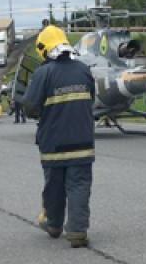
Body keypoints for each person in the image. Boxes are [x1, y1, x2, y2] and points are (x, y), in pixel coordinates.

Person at [24, 25, 95, 248]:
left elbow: (30, 107)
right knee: (79, 186)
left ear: (44, 49)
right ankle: (77, 232)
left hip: (53, 143)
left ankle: (54, 225)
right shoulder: (84, 69)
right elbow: (91, 98)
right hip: (83, 141)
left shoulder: (43, 73)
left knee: (54, 187)